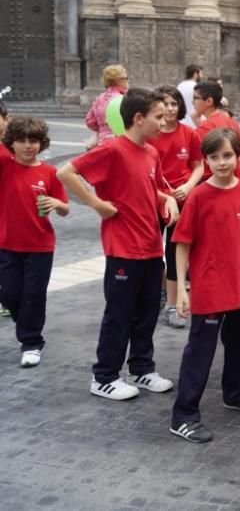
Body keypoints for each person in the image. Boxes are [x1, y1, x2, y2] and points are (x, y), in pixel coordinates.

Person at [58, 88, 180, 400]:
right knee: (120, 314)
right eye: (157, 116)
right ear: (138, 119)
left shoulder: (151, 153)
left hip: (151, 245)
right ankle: (104, 376)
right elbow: (66, 172)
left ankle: (141, 368)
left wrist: (167, 200)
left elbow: (149, 189)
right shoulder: (113, 149)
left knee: (147, 311)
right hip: (124, 248)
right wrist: (96, 203)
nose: (163, 120)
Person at [169, 128, 240, 443]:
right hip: (210, 286)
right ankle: (184, 415)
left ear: (239, 156)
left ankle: (234, 393)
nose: (221, 163)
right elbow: (181, 243)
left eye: (227, 156)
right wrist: (182, 288)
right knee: (201, 350)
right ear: (205, 160)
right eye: (213, 157)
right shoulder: (198, 196)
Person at [0, 116, 69, 367]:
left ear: (42, 143)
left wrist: (57, 204)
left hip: (40, 246)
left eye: (34, 141)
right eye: (21, 141)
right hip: (7, 244)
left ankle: (31, 342)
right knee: (8, 294)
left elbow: (65, 209)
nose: (28, 146)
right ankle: (26, 325)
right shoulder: (5, 165)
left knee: (33, 295)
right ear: (12, 143)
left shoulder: (50, 172)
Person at [148, 86, 204, 328]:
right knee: (151, 251)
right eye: (165, 104)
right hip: (153, 201)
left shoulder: (190, 134)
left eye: (174, 103)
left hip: (181, 203)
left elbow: (199, 165)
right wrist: (162, 195)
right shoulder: (151, 136)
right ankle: (157, 294)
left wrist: (190, 186)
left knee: (174, 252)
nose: (170, 108)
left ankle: (172, 304)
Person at [84, 65, 130, 148]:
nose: (128, 81)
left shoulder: (99, 98)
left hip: (102, 142)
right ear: (118, 81)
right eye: (126, 78)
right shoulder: (123, 99)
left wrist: (103, 129)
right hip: (120, 143)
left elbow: (90, 120)